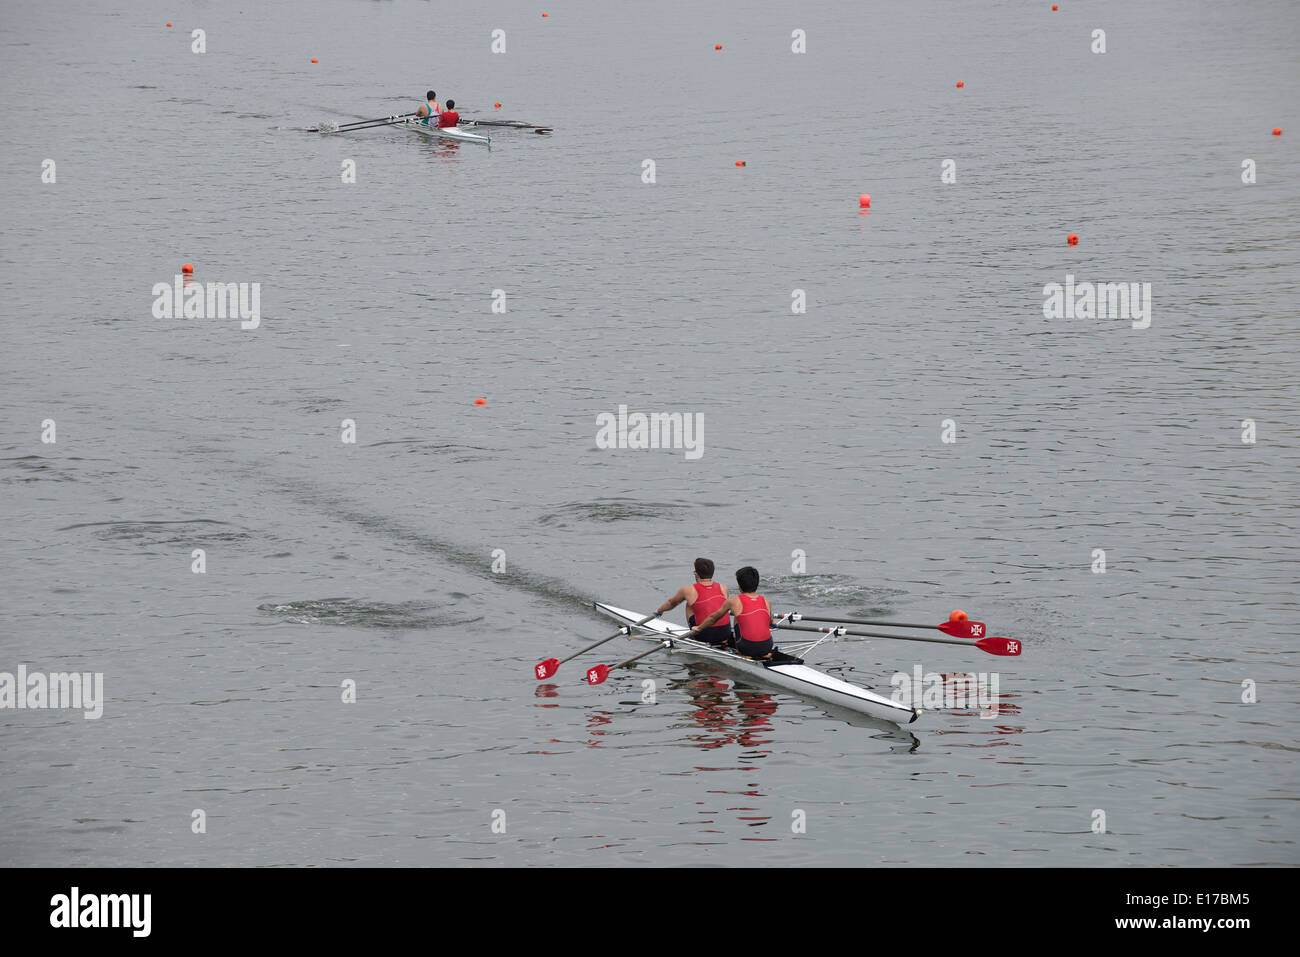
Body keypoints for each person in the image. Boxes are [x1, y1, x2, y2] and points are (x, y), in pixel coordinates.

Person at [690, 566, 774, 659]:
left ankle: (740, 652)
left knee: (737, 617)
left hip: (747, 648)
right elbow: (771, 622)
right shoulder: (766, 601)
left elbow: (713, 618)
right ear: (757, 585)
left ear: (739, 587)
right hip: (767, 646)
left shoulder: (734, 601)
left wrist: (699, 628)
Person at [652, 558, 731, 646]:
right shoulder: (723, 588)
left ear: (696, 574)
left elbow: (671, 603)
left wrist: (659, 611)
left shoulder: (688, 590)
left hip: (704, 635)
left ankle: (695, 637)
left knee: (689, 605)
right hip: (725, 634)